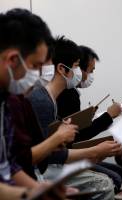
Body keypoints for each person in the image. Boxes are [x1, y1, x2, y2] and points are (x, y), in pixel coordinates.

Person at [28, 36, 121, 200]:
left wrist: (93, 154)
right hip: (38, 171)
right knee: (105, 184)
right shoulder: (42, 101)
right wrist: (94, 151)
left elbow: (52, 149)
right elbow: (44, 156)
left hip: (46, 166)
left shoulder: (48, 99)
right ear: (62, 69)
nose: (81, 73)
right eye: (77, 66)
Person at [0, 10, 66, 200]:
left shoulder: (6, 99)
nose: (37, 76)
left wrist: (39, 190)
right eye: (35, 66)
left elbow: (8, 166)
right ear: (13, 60)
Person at [57, 45, 122, 192]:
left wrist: (87, 118)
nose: (90, 75)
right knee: (115, 178)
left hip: (64, 158)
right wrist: (108, 116)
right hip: (63, 161)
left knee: (118, 172)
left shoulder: (69, 93)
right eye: (90, 70)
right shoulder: (69, 94)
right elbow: (77, 137)